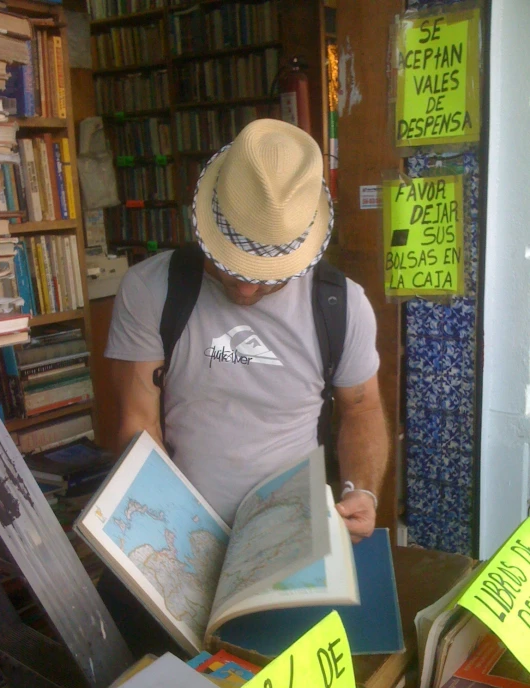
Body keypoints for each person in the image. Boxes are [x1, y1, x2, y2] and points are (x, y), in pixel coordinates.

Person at [105, 118, 389, 545]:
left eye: (268, 277)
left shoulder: (342, 306)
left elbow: (362, 410)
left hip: (291, 539)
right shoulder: (150, 290)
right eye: (230, 265)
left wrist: (361, 490)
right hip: (177, 530)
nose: (246, 287)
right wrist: (171, 529)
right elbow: (138, 422)